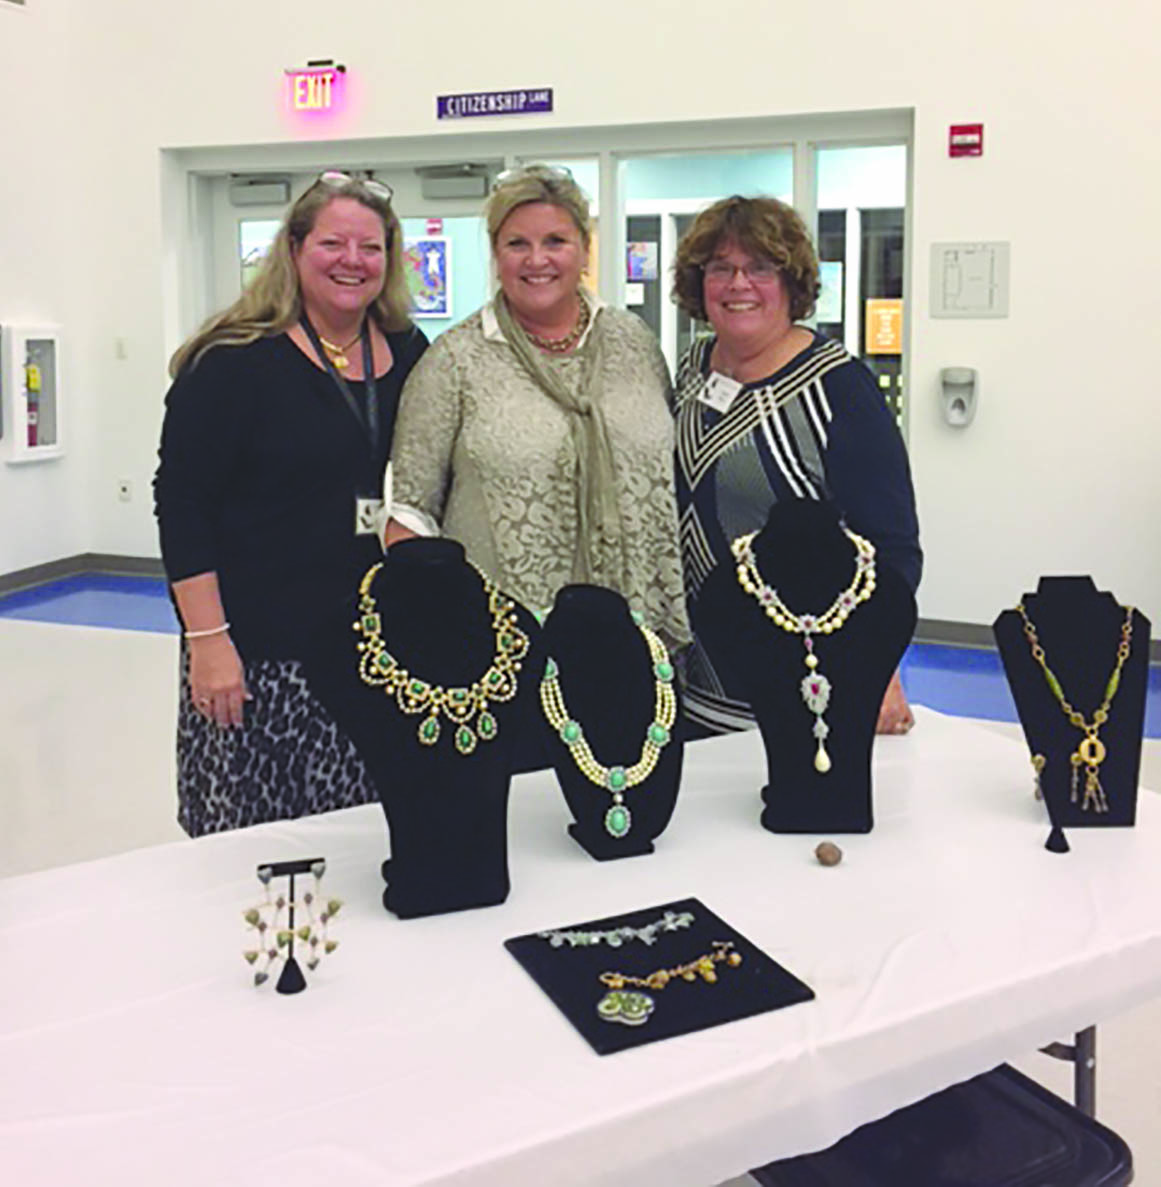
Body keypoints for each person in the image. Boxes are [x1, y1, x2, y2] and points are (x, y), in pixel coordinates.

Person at [154, 172, 428, 836]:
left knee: (360, 840)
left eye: (370, 247)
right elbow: (182, 503)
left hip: (370, 651)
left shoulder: (411, 352)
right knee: (251, 847)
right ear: (296, 248)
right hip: (260, 653)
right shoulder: (232, 361)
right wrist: (208, 643)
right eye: (333, 242)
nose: (352, 261)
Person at [386, 164, 689, 649]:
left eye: (555, 241)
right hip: (506, 644)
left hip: (636, 635)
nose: (537, 259)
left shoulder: (633, 343)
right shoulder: (454, 361)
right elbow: (410, 514)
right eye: (517, 244)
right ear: (496, 254)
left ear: (584, 249)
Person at [671, 195, 921, 735]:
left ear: (792, 281)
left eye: (760, 267)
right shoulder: (691, 371)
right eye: (721, 268)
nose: (739, 284)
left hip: (800, 684)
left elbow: (892, 545)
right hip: (690, 681)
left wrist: (881, 665)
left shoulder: (839, 387)